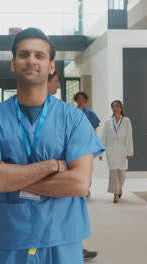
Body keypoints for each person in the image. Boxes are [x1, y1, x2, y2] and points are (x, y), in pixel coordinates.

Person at [0, 28, 104, 264]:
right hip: (11, 236)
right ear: (13, 63)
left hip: (62, 236)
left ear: (51, 66)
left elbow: (79, 183)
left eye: (39, 55)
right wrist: (52, 166)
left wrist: (11, 178)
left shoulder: (74, 119)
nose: (31, 60)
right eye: (24, 54)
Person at [47, 71, 99, 262]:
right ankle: (76, 249)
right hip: (61, 172)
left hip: (74, 163)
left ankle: (78, 249)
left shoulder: (73, 114)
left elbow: (91, 133)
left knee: (70, 212)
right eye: (56, 81)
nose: (59, 85)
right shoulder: (65, 113)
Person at [99, 100, 134, 203]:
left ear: (121, 108)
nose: (115, 108)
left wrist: (129, 152)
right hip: (111, 151)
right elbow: (103, 138)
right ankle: (115, 195)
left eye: (117, 106)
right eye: (113, 106)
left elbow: (129, 137)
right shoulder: (108, 122)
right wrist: (101, 152)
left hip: (123, 151)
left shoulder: (127, 121)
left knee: (122, 173)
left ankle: (120, 187)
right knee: (113, 172)